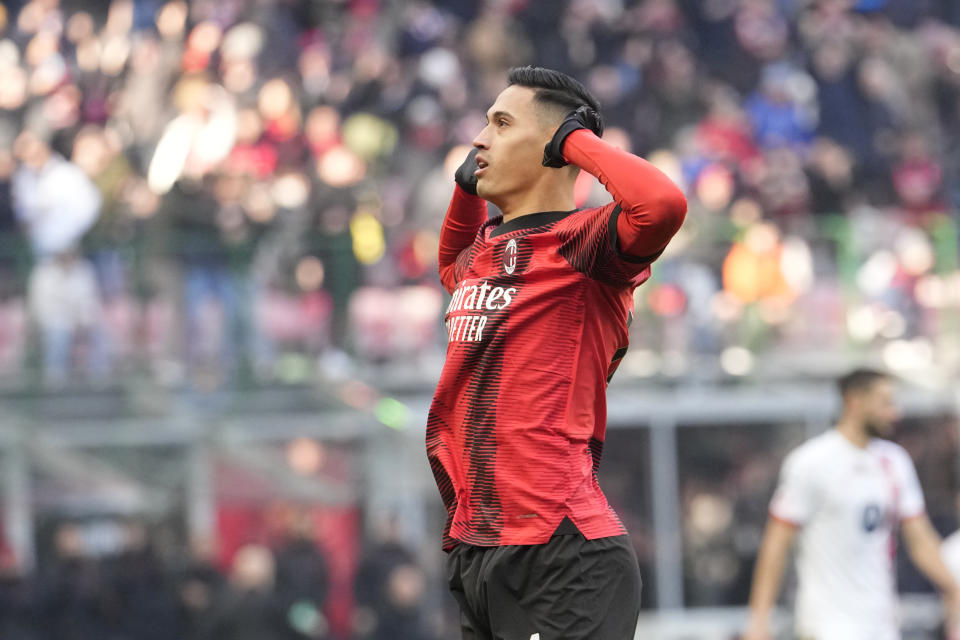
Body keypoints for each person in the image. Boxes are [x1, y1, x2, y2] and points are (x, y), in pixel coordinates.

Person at [427, 66, 687, 639]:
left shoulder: (588, 243)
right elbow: (449, 264)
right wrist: (463, 189)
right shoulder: (485, 251)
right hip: (481, 546)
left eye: (500, 123)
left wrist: (575, 140)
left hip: (561, 549)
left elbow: (661, 204)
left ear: (552, 144)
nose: (479, 139)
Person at [744, 368, 960, 640]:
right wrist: (759, 622)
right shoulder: (812, 462)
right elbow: (776, 544)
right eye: (884, 402)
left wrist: (953, 588)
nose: (894, 412)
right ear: (854, 401)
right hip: (828, 625)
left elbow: (920, 539)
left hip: (881, 623)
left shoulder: (894, 462)